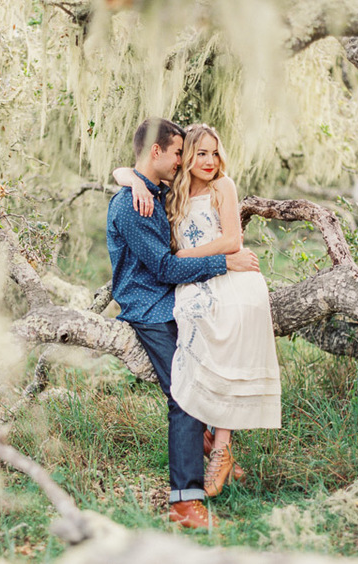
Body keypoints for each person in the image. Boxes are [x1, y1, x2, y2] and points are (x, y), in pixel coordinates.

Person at [106, 118, 261, 529]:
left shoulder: (152, 190)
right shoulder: (130, 204)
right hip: (150, 307)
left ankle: (212, 445)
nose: (182, 160)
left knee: (206, 375)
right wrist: (224, 261)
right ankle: (184, 502)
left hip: (173, 302)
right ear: (156, 152)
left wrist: (131, 177)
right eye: (178, 152)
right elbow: (161, 265)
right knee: (185, 396)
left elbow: (131, 172)